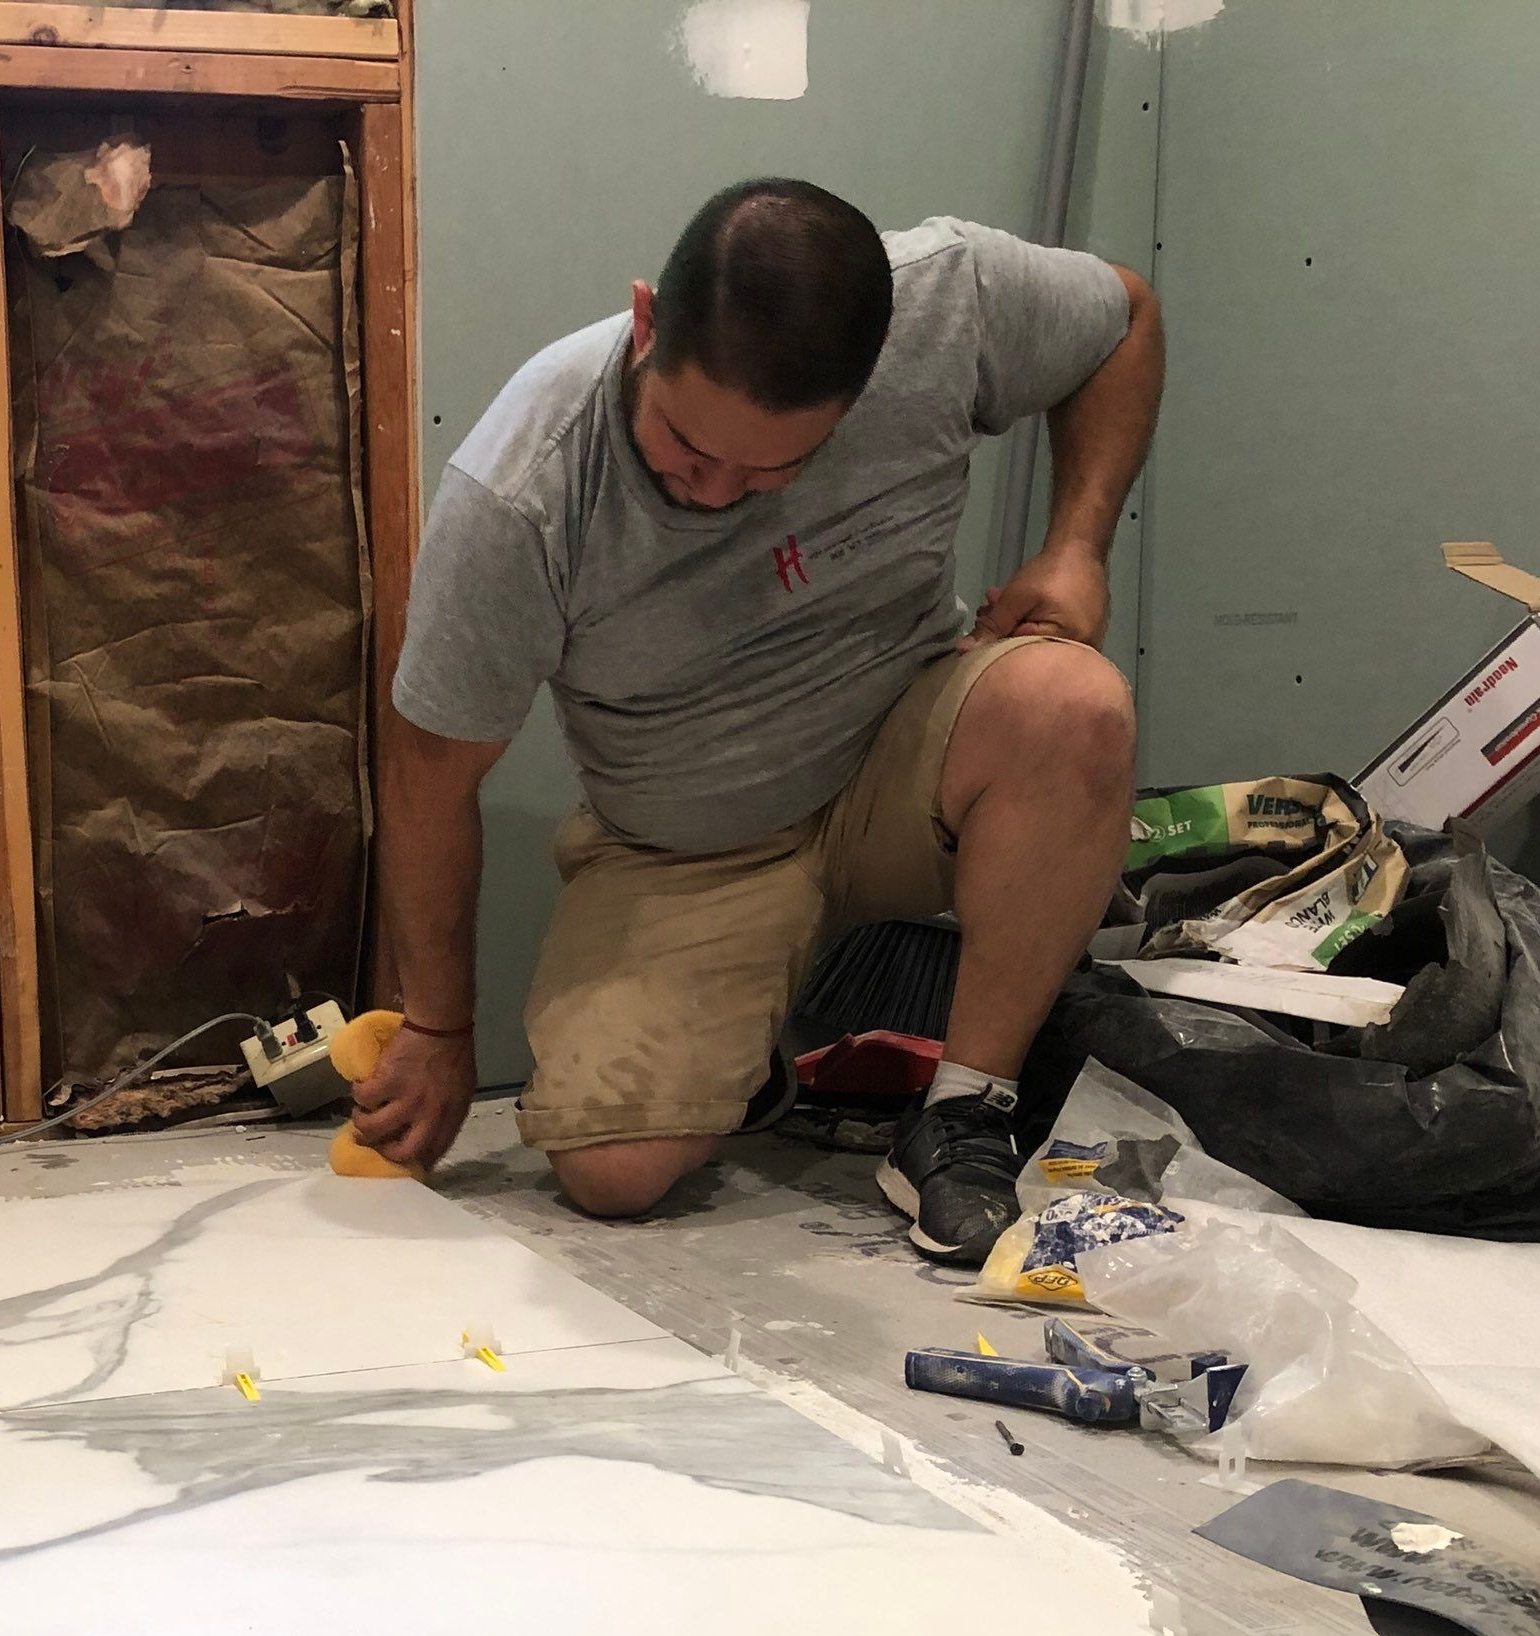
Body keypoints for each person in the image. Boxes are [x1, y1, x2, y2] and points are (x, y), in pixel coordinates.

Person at [355, 176, 1163, 1266]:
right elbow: (426, 773)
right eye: (685, 448)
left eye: (772, 467)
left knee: (1073, 704)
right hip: (686, 840)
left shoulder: (946, 300)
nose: (715, 493)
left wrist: (1076, 546)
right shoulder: (523, 489)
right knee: (612, 1174)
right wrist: (438, 1028)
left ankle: (963, 1109)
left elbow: (1123, 318)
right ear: (645, 324)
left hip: (901, 761)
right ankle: (755, 1055)